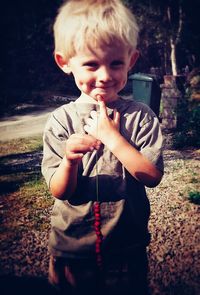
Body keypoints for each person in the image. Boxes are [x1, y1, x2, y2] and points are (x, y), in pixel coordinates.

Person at [41, 0, 164, 294]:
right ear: (65, 62)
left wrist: (113, 138)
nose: (105, 75)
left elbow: (152, 176)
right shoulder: (61, 121)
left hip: (127, 248)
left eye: (116, 63)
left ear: (131, 61)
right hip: (72, 250)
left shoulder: (141, 117)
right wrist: (69, 161)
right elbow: (60, 191)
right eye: (91, 64)